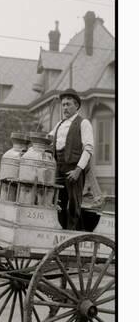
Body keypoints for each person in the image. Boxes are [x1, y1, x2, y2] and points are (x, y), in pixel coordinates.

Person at [49, 88, 94, 230]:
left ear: (76, 106)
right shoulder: (59, 124)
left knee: (74, 205)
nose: (65, 108)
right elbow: (48, 140)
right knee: (58, 203)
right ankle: (61, 234)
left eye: (68, 104)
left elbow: (88, 149)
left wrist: (78, 170)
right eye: (63, 105)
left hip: (74, 169)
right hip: (58, 169)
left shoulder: (83, 123)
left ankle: (74, 235)